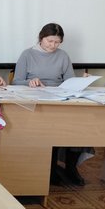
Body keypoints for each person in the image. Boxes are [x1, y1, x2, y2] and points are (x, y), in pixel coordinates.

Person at [12, 23, 91, 186]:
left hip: (59, 99)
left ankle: (71, 167)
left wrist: (81, 81)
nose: (53, 45)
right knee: (49, 126)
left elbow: (69, 81)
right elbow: (16, 81)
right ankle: (50, 168)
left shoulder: (63, 56)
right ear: (41, 38)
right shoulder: (27, 54)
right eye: (50, 41)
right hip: (36, 100)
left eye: (57, 42)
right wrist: (29, 82)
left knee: (80, 123)